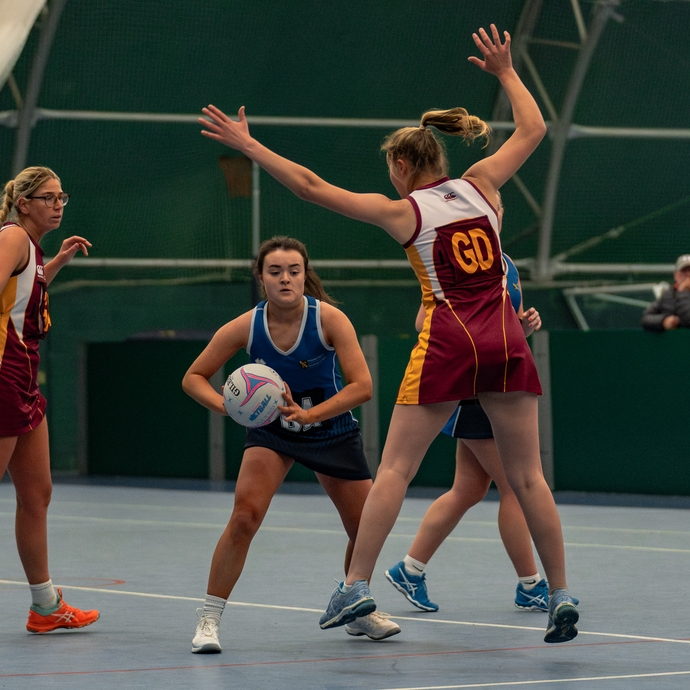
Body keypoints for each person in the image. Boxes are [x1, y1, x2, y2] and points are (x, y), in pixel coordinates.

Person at [198, 24, 578, 644]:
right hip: (508, 340)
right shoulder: (484, 184)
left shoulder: (406, 210)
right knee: (528, 478)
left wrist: (250, 145)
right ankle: (560, 593)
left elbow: (311, 188)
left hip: (452, 339)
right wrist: (507, 72)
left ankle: (356, 585)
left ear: (402, 166)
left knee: (397, 468)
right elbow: (534, 129)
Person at [182, 235, 400, 654]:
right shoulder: (247, 325)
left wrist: (312, 416)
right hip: (272, 429)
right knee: (245, 517)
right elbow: (194, 376)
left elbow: (363, 386)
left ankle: (355, 606)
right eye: (275, 271)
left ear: (305, 274)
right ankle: (209, 618)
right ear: (261, 277)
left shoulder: (330, 320)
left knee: (365, 528)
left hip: (329, 426)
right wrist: (227, 407)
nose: (285, 278)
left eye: (294, 271)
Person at [386, 250, 552, 613]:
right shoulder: (451, 257)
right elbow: (422, 322)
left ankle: (410, 570)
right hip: (473, 385)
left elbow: (500, 325)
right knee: (514, 486)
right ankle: (531, 584)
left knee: (468, 489)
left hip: (496, 380)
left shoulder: (507, 263)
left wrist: (520, 327)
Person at [0, 166, 100, 633]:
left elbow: (18, 296)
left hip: (23, 380)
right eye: (48, 197)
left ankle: (45, 606)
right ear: (24, 203)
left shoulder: (33, 249)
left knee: (36, 495)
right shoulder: (14, 238)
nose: (58, 204)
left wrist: (54, 264)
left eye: (63, 196)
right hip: (2, 376)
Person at [640, 254, 690, 331]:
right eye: (683, 271)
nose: (688, 274)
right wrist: (663, 321)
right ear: (675, 275)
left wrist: (683, 290)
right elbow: (645, 319)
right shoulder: (668, 294)